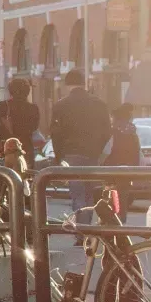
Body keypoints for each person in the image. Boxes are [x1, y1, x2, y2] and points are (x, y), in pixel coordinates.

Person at [50, 69, 112, 223]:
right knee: (90, 193)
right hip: (92, 155)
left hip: (71, 155)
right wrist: (97, 150)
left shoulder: (60, 105)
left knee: (77, 193)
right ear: (84, 83)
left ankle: (81, 230)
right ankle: (88, 229)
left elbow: (55, 134)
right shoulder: (100, 104)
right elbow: (107, 132)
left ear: (67, 85)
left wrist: (59, 157)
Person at [0, 77, 42, 148]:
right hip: (26, 147)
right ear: (27, 92)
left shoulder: (3, 105)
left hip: (8, 147)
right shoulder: (33, 108)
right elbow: (34, 127)